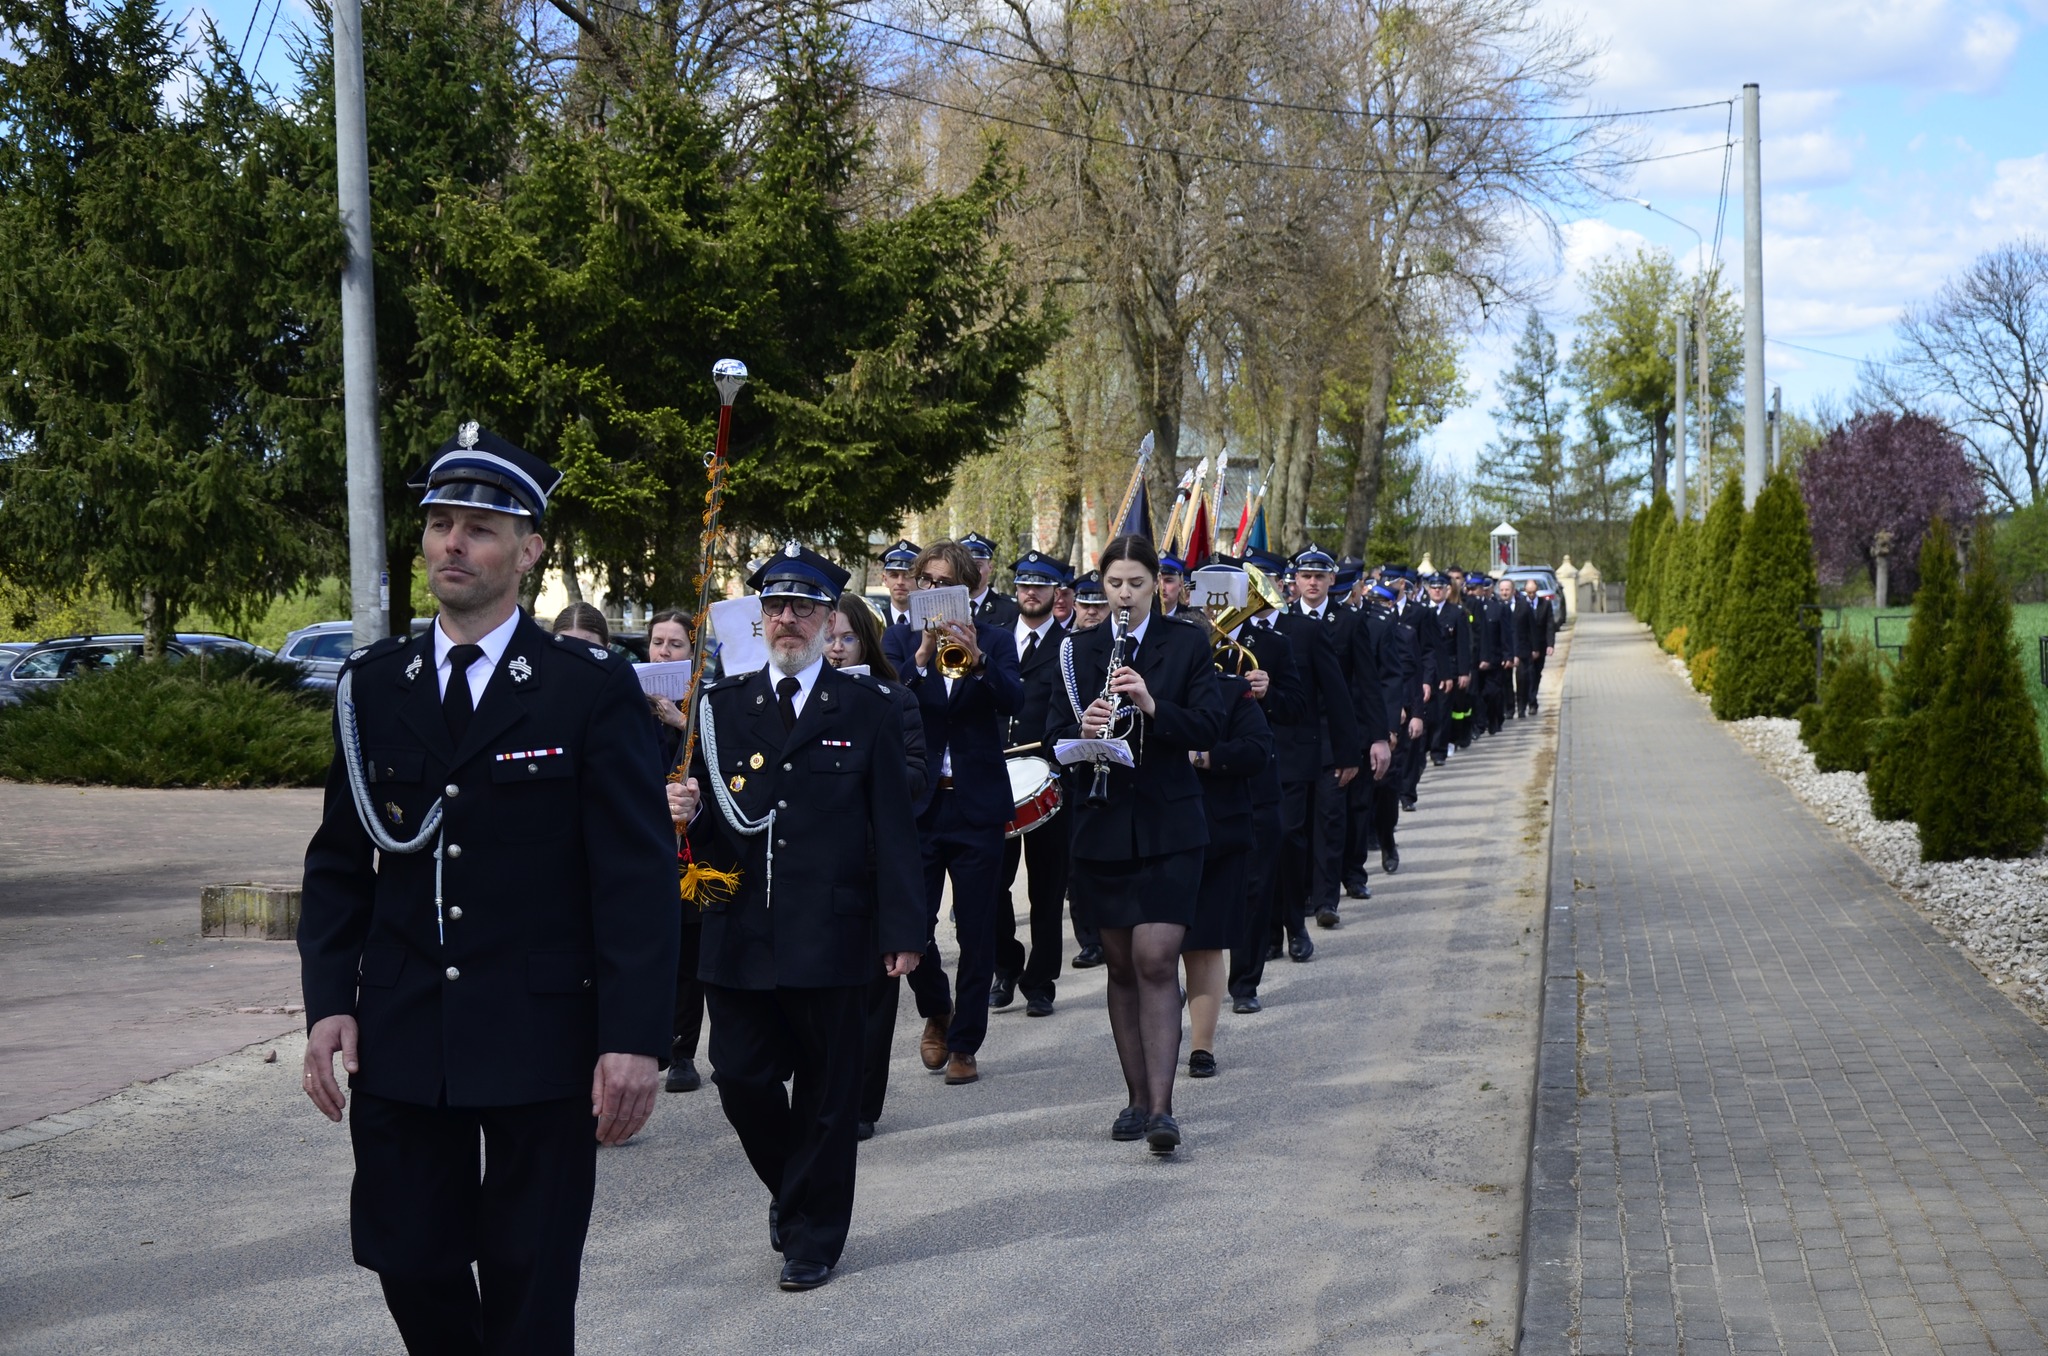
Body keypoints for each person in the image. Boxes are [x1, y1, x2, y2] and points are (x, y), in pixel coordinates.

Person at [299, 425, 677, 1355]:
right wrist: (326, 1004)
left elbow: (634, 880)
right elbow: (340, 862)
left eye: (478, 528)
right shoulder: (371, 685)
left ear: (530, 550)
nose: (451, 545)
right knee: (408, 1258)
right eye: (438, 524)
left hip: (541, 1029)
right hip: (404, 1027)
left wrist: (633, 1042)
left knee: (531, 1277)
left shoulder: (584, 689)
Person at [667, 542, 924, 1292]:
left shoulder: (869, 706)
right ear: (761, 616)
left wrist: (903, 930)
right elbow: (713, 832)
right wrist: (684, 811)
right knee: (741, 1079)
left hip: (835, 929)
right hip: (740, 929)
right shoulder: (717, 709)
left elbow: (894, 828)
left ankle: (814, 1238)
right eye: (776, 606)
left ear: (826, 618)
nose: (788, 619)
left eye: (804, 608)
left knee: (827, 1093)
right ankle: (793, 1189)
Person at [1047, 535, 1226, 1154]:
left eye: (1137, 584)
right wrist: (1081, 730)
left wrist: (1152, 704)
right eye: (1114, 584)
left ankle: (1163, 1109)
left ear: (1158, 584)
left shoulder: (1186, 644)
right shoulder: (1077, 650)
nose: (1124, 595)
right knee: (1121, 966)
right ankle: (1134, 1098)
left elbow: (1208, 725)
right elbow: (1049, 737)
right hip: (1100, 829)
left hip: (1170, 826)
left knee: (1155, 958)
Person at [881, 541, 1025, 1086]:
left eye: (944, 583)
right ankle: (936, 1011)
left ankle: (965, 1042)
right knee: (912, 926)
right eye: (926, 581)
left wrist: (980, 660)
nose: (931, 591)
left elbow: (1016, 702)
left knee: (977, 929)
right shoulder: (897, 641)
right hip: (919, 805)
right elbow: (887, 704)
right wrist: (919, 661)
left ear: (963, 593)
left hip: (976, 806)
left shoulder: (994, 639)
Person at [821, 594, 928, 1142]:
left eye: (846, 639)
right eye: (828, 638)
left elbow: (914, 779)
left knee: (873, 992)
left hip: (870, 864)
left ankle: (862, 1103)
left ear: (866, 642)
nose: (835, 650)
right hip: (815, 866)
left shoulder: (894, 699)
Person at [1183, 606, 1273, 1075]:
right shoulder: (1142, 692)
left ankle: (1202, 1046)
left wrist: (1202, 756)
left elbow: (1257, 751)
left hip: (1218, 833)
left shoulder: (1233, 691)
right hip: (1159, 834)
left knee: (1204, 944)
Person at [993, 550, 1074, 1018]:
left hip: (1047, 779)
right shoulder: (997, 640)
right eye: (1024, 584)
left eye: (1040, 585)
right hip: (995, 780)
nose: (1030, 592)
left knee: (1046, 887)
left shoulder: (1069, 646)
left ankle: (1041, 982)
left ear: (1055, 593)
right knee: (991, 885)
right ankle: (1006, 965)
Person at [639, 608, 705, 1096]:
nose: (664, 651)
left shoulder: (707, 700)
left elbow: (723, 760)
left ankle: (683, 1051)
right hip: (644, 841)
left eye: (675, 644)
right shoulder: (626, 699)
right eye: (658, 643)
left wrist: (680, 719)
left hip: (692, 844)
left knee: (689, 950)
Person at [960, 532, 1021, 627]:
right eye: (965, 565)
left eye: (977, 566)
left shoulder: (1010, 609)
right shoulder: (947, 609)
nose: (970, 571)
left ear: (990, 567)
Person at [1521, 579, 1557, 713]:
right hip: (1525, 645)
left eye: (1533, 592)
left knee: (1536, 673)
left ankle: (1532, 699)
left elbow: (1549, 625)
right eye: (1528, 592)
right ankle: (1529, 702)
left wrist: (1550, 644)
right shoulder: (1522, 604)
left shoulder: (1545, 604)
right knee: (1526, 674)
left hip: (1541, 645)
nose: (1531, 595)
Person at [878, 539, 919, 628]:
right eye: (894, 575)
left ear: (918, 580)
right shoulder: (875, 623)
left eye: (907, 575)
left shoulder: (929, 624)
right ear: (885, 580)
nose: (900, 582)